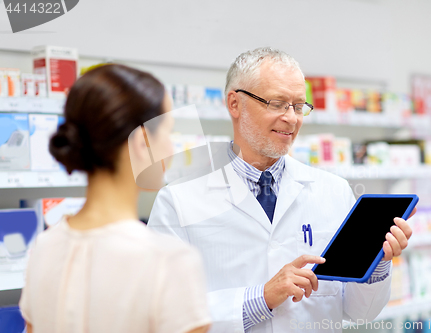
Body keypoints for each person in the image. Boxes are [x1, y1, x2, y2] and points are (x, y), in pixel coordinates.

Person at [148, 48, 414, 333]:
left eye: (299, 106)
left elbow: (360, 312)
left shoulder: (334, 192)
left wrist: (378, 265)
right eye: (277, 103)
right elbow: (161, 312)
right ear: (235, 104)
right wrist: (261, 298)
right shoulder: (178, 201)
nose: (292, 118)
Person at [19, 64, 211, 333]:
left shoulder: (44, 247)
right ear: (142, 144)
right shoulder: (169, 262)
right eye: (167, 133)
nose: (171, 148)